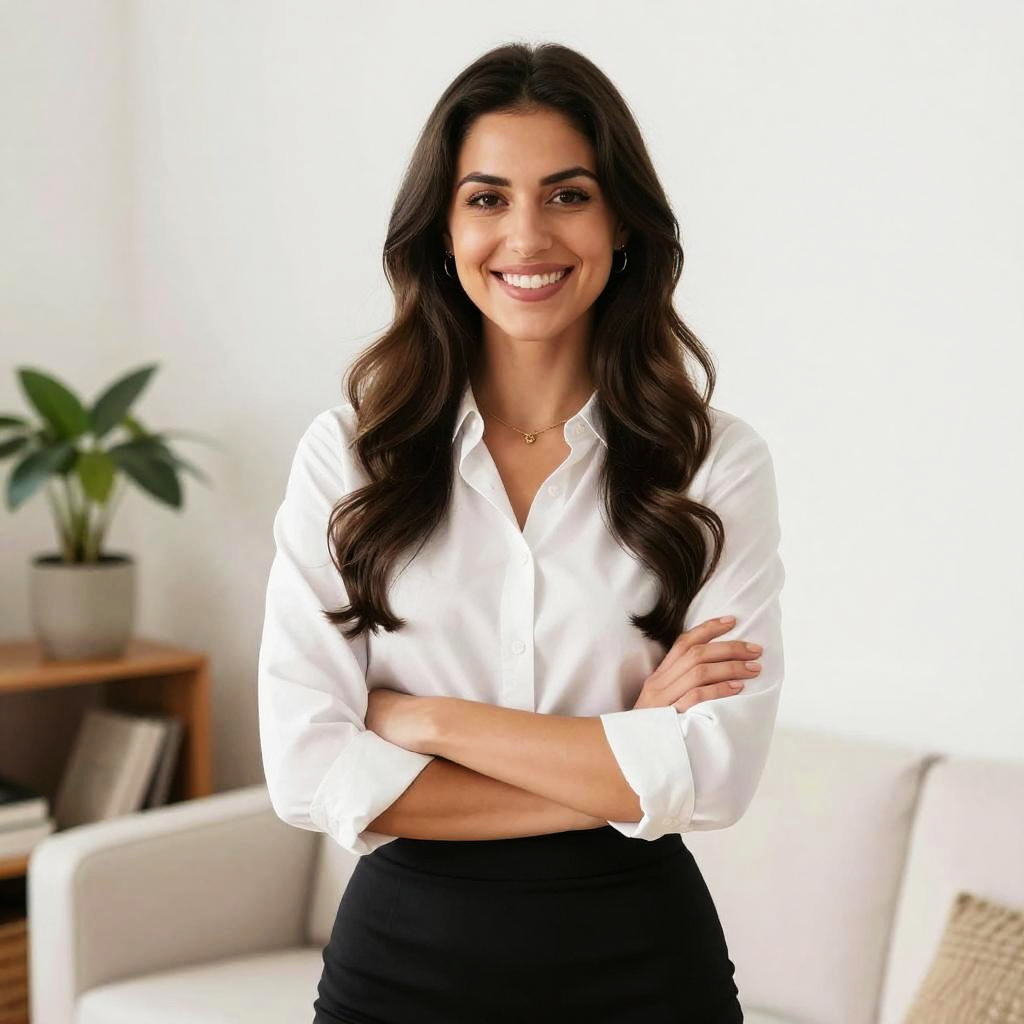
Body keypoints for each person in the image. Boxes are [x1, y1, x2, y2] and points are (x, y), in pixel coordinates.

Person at [257, 40, 785, 1024]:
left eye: (568, 194)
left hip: (642, 964)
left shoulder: (712, 464)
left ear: (621, 217)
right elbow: (309, 769)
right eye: (488, 197)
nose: (527, 235)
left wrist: (425, 720)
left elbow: (713, 775)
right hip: (399, 967)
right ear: (442, 227)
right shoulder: (349, 458)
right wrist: (627, 758)